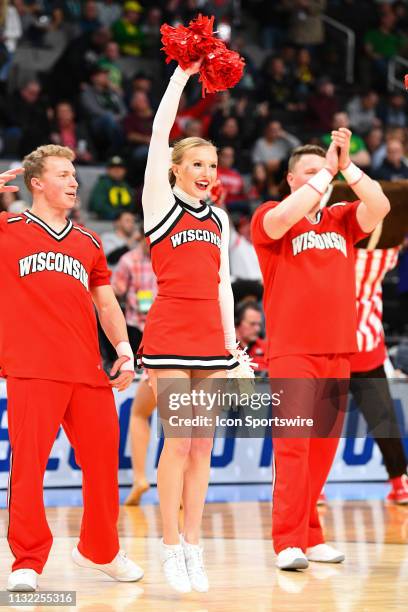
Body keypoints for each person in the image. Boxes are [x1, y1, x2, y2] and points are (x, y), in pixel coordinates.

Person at [0, 145, 143, 592]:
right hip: (32, 366)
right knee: (29, 467)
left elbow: (105, 300)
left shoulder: (89, 240)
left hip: (86, 367)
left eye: (75, 174)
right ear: (37, 183)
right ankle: (27, 559)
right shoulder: (7, 228)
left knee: (103, 462)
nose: (74, 181)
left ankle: (99, 549)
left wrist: (122, 347)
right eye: (63, 174)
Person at [251, 133, 390, 570]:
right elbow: (279, 221)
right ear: (291, 179)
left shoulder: (341, 219)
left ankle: (310, 536)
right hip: (292, 350)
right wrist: (327, 170)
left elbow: (381, 206)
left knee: (322, 448)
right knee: (292, 447)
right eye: (309, 172)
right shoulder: (271, 216)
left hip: (337, 349)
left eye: (323, 170)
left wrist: (346, 167)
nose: (320, 178)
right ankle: (286, 541)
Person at [137, 58, 247, 593]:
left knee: (202, 445)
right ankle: (169, 548)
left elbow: (226, 283)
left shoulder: (220, 218)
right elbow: (161, 132)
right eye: (197, 164)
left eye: (213, 163)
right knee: (177, 440)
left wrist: (233, 345)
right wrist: (183, 75)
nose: (207, 172)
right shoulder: (159, 204)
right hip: (170, 331)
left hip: (211, 337)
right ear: (177, 169)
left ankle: (194, 545)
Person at [235, 302, 268, 372]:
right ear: (237, 322)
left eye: (259, 324)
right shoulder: (226, 349)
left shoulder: (265, 348)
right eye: (252, 324)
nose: (257, 329)